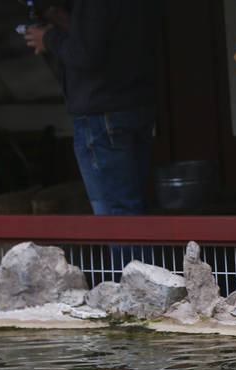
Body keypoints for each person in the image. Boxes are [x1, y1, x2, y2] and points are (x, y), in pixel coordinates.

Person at [23, 1, 162, 216]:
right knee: (131, 204)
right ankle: (136, 250)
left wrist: (49, 39)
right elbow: (106, 39)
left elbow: (86, 54)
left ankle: (129, 251)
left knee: (115, 213)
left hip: (102, 111)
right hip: (133, 103)